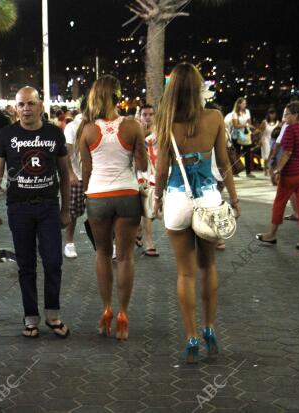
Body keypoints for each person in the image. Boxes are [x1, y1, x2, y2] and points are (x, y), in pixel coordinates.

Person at [152, 63, 239, 362]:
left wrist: (155, 200)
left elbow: (162, 169)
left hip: (177, 200)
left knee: (185, 272)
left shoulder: (164, 121)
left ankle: (190, 336)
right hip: (209, 200)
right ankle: (210, 328)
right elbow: (224, 162)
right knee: (209, 267)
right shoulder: (215, 117)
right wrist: (235, 198)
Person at [0, 86, 71, 339]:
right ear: (16, 108)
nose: (25, 109)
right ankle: (31, 317)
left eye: (30, 104)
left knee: (53, 261)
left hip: (48, 206)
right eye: (21, 105)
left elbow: (65, 174)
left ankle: (53, 315)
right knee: (26, 265)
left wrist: (66, 209)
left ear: (40, 106)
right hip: (18, 208)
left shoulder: (54, 133)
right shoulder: (6, 134)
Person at [77, 75, 147, 341]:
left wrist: (86, 197)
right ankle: (123, 315)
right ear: (118, 96)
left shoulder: (87, 130)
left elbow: (86, 170)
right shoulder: (132, 126)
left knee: (103, 255)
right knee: (126, 257)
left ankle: (106, 310)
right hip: (127, 194)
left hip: (97, 196)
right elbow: (141, 166)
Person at [257, 101, 299, 251]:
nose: (284, 118)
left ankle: (271, 235)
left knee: (279, 203)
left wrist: (277, 169)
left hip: (292, 174)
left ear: (296, 115)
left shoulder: (291, 129)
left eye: (286, 114)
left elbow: (288, 153)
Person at [63, 98, 86, 259]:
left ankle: (108, 244)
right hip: (77, 176)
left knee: (102, 214)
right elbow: (67, 152)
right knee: (72, 213)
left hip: (98, 177)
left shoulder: (99, 124)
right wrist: (70, 174)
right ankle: (69, 243)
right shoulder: (73, 126)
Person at [136, 104, 159, 256]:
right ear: (140, 116)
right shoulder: (135, 131)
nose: (148, 117)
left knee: (148, 209)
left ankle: (142, 236)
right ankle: (146, 240)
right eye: (145, 114)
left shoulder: (160, 132)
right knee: (144, 208)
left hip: (155, 174)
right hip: (138, 174)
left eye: (151, 114)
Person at [229, 98, 255, 177]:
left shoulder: (247, 111)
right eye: (244, 103)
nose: (245, 105)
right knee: (236, 153)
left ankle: (248, 172)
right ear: (239, 104)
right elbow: (235, 125)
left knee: (247, 152)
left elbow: (249, 122)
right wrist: (245, 125)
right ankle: (236, 171)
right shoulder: (234, 113)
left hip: (245, 134)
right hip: (236, 135)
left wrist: (246, 125)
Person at [257, 108, 280, 176]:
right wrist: (260, 140)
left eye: (273, 113)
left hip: (274, 140)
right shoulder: (264, 122)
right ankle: (266, 168)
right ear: (268, 114)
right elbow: (260, 131)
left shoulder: (278, 123)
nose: (272, 115)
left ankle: (271, 168)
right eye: (271, 113)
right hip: (265, 139)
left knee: (273, 155)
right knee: (267, 155)